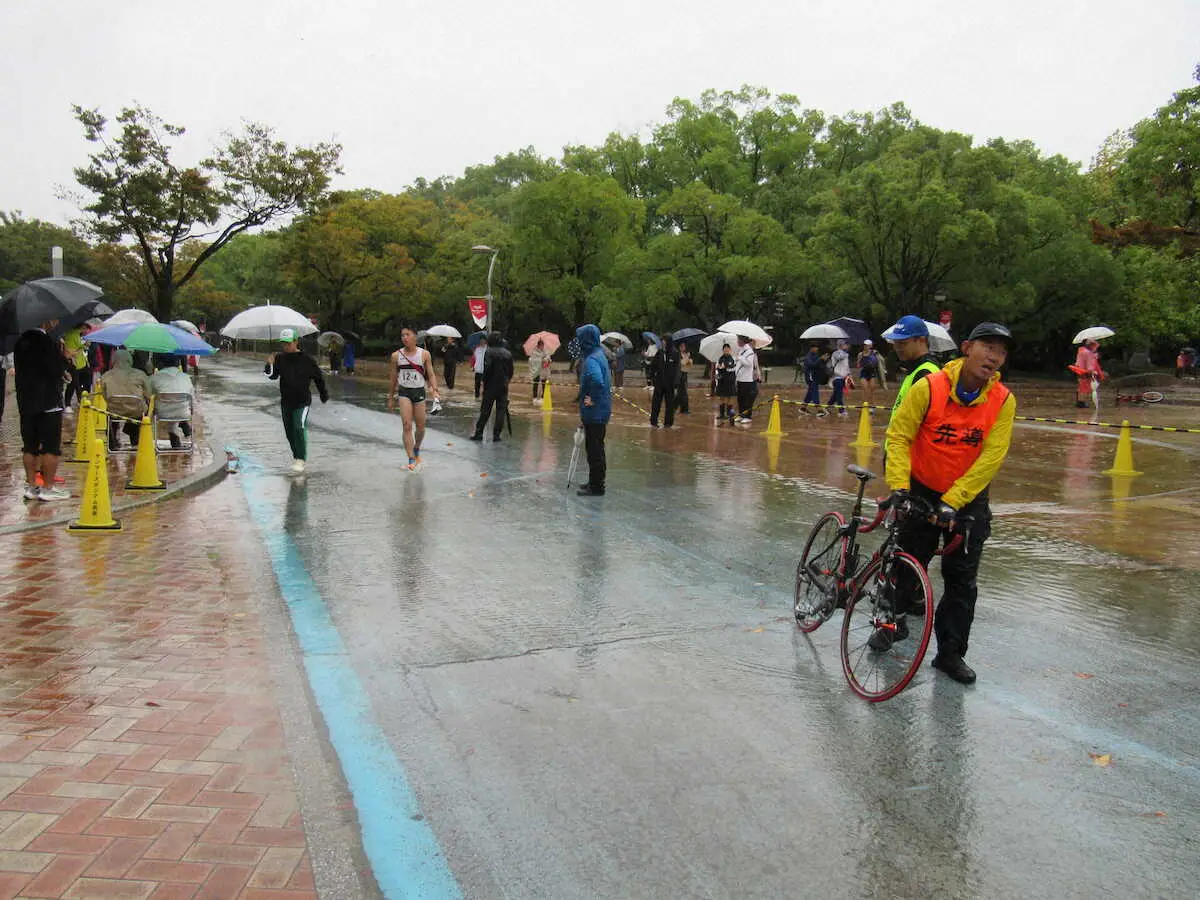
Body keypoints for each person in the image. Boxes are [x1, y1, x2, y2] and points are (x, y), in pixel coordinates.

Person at [879, 322, 1018, 685]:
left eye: (1000, 351)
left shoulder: (1003, 399)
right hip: (922, 488)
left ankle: (950, 654)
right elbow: (899, 436)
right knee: (906, 566)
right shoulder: (930, 386)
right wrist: (899, 487)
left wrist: (954, 502)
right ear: (967, 347)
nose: (993, 357)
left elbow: (991, 457)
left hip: (968, 499)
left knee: (962, 581)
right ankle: (889, 624)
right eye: (987, 347)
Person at [14, 321, 72, 501]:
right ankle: (47, 488)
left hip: (26, 402)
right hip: (48, 402)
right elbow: (55, 370)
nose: (56, 322)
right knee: (50, 447)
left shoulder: (20, 342)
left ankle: (31, 486)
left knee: (30, 446)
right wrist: (64, 358)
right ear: (43, 320)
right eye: (53, 319)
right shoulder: (49, 342)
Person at [264, 327, 328, 473]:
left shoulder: (307, 360)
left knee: (299, 426)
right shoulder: (279, 358)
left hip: (303, 401)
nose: (286, 346)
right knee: (289, 432)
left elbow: (318, 378)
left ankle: (300, 459)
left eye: (288, 343)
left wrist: (323, 394)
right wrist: (270, 364)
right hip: (286, 401)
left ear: (295, 342)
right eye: (284, 343)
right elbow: (272, 376)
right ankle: (296, 456)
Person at [882, 315, 941, 459]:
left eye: (903, 343)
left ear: (921, 340)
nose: (897, 348)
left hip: (910, 459)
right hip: (899, 454)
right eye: (895, 343)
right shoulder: (915, 369)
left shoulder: (926, 373)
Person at [388, 326, 440, 470]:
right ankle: (411, 458)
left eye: (407, 334)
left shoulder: (424, 355)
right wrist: (391, 397)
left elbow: (430, 374)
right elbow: (393, 378)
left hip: (419, 392)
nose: (404, 337)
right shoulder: (396, 356)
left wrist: (435, 390)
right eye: (402, 335)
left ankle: (416, 448)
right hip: (404, 392)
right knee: (406, 425)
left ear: (415, 336)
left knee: (421, 428)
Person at [576, 324, 612, 496]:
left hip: (595, 413)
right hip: (600, 411)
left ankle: (597, 486)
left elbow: (598, 381)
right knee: (596, 447)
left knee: (594, 450)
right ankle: (594, 481)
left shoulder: (591, 360)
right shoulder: (599, 355)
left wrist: (593, 400)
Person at [100, 349, 153, 451]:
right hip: (136, 411)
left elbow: (105, 396)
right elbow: (148, 394)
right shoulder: (140, 374)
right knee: (142, 407)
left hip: (114, 410)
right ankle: (134, 437)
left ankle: (112, 441)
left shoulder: (106, 376)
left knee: (110, 414)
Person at [470, 332, 513, 441]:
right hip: (503, 385)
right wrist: (507, 381)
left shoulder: (489, 352)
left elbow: (487, 369)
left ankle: (479, 433)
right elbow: (511, 371)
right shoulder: (508, 354)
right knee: (501, 410)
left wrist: (484, 381)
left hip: (490, 386)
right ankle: (497, 435)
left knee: (485, 410)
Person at [149, 353, 195, 449]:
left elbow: (149, 394)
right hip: (183, 413)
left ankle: (175, 436)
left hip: (162, 413)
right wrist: (191, 410)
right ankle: (178, 432)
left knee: (167, 407)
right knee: (176, 407)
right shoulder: (185, 377)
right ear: (177, 363)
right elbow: (192, 397)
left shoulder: (155, 378)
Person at [648, 336, 679, 428]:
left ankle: (668, 423)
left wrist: (676, 383)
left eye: (664, 341)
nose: (663, 342)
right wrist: (651, 377)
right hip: (659, 383)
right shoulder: (660, 352)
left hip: (670, 384)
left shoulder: (675, 353)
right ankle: (654, 421)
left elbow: (677, 369)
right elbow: (653, 365)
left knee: (670, 404)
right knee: (656, 402)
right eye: (662, 341)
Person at [62, 324, 91, 408]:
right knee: (74, 383)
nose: (87, 332)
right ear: (83, 328)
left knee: (80, 383)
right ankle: (68, 404)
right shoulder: (73, 334)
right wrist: (83, 346)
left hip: (81, 363)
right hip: (74, 363)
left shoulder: (77, 335)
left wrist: (83, 346)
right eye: (86, 330)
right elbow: (71, 351)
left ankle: (80, 400)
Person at [733, 335, 759, 425]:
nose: (737, 341)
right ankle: (741, 415)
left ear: (742, 340)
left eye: (738, 340)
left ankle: (748, 416)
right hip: (740, 379)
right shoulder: (741, 350)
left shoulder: (749, 351)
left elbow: (748, 363)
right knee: (740, 398)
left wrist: (740, 358)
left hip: (747, 380)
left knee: (747, 399)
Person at [1070, 340, 1104, 409]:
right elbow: (1090, 365)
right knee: (1085, 387)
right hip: (1086, 372)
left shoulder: (1081, 350)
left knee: (1081, 386)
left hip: (1079, 370)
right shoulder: (1088, 353)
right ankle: (1081, 402)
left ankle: (1080, 401)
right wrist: (1092, 372)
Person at [714, 342, 737, 425]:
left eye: (727, 349)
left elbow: (734, 368)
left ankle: (728, 414)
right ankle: (722, 414)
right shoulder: (720, 359)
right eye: (724, 349)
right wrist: (718, 369)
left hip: (730, 381)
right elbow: (717, 368)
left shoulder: (733, 358)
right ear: (723, 350)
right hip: (721, 381)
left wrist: (726, 367)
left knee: (729, 398)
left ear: (730, 350)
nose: (726, 350)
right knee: (722, 398)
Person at [827, 341, 851, 415]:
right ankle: (841, 410)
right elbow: (839, 357)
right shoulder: (836, 353)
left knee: (836, 394)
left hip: (843, 378)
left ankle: (827, 407)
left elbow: (846, 366)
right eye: (845, 344)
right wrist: (842, 350)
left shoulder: (845, 354)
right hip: (837, 378)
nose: (847, 346)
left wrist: (849, 374)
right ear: (841, 345)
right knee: (839, 395)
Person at [856, 339, 881, 405]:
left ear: (870, 346)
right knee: (865, 388)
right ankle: (865, 404)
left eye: (867, 345)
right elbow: (858, 365)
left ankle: (872, 403)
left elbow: (879, 362)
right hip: (864, 372)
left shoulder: (875, 353)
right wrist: (862, 362)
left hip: (872, 372)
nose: (865, 346)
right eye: (865, 345)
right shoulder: (860, 354)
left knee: (872, 388)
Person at [801, 345, 825, 412]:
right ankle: (819, 410)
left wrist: (823, 360)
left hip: (815, 376)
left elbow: (818, 365)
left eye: (817, 347)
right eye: (816, 347)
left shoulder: (816, 355)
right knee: (815, 392)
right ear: (812, 348)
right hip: (811, 377)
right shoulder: (808, 357)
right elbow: (812, 364)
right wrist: (820, 359)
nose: (817, 349)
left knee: (810, 392)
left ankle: (803, 408)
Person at [676, 344, 692, 414]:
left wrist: (688, 359)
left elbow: (689, 364)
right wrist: (686, 358)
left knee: (682, 392)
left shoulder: (686, 354)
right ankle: (684, 409)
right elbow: (681, 363)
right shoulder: (677, 354)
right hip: (679, 375)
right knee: (683, 392)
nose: (683, 348)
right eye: (681, 346)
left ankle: (680, 408)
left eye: (684, 346)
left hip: (685, 374)